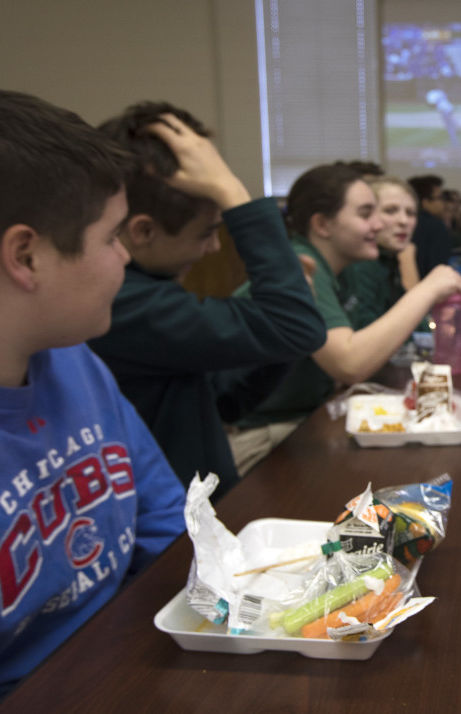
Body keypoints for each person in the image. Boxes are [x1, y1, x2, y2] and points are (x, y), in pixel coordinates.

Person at [0, 89, 186, 708]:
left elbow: (169, 530)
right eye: (110, 237)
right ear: (27, 256)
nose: (126, 257)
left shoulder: (72, 356)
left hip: (129, 660)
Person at [89, 102, 326, 495]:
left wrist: (289, 323)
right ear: (143, 231)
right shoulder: (123, 303)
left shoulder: (149, 288)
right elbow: (298, 328)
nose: (216, 247)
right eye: (206, 232)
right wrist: (231, 191)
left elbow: (224, 402)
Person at [236, 164, 461, 445]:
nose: (380, 224)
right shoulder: (301, 267)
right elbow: (350, 364)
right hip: (263, 432)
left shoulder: (340, 270)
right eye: (366, 214)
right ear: (322, 225)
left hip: (301, 417)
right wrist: (428, 289)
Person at [339, 176, 421, 329]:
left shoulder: (388, 260)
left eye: (410, 213)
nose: (404, 221)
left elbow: (412, 321)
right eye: (390, 211)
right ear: (367, 215)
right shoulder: (361, 263)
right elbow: (366, 331)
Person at [408, 174, 454, 277]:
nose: (443, 203)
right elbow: (438, 269)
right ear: (425, 202)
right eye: (440, 198)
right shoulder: (436, 226)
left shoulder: (407, 223)